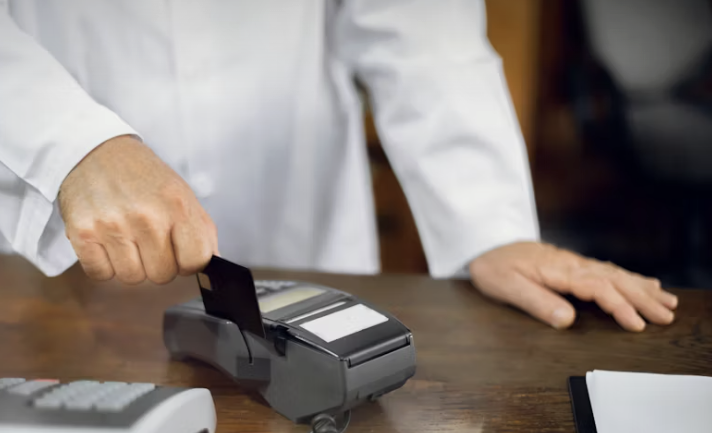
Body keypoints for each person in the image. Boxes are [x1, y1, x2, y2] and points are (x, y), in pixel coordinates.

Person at [0, 1, 677, 332]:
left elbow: (419, 28)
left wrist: (490, 224)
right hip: (43, 258)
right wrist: (69, 142)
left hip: (301, 229)